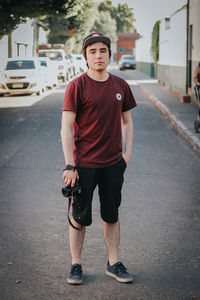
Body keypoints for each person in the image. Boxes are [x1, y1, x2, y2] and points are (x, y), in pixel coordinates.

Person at [60, 33, 137, 285]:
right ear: (85, 56)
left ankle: (113, 263)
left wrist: (126, 155)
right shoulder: (76, 86)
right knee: (78, 217)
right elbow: (66, 128)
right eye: (92, 51)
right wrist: (70, 164)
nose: (98, 55)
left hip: (113, 164)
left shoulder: (120, 86)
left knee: (111, 214)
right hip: (83, 165)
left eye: (102, 50)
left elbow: (127, 123)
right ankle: (75, 265)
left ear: (109, 54)